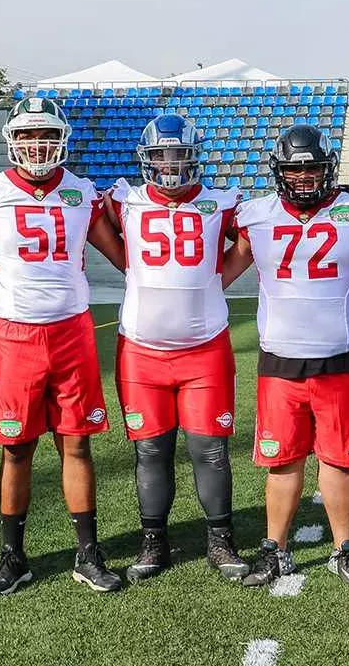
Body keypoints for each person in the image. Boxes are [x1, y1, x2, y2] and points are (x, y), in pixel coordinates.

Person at [0, 97, 128, 594]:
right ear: (11, 141)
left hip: (72, 330)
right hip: (15, 335)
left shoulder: (83, 193)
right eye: (26, 136)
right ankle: (12, 556)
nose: (36, 145)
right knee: (16, 448)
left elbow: (127, 257)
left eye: (44, 135)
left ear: (60, 139)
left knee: (77, 443)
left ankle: (88, 551)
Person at [221, 124, 349, 587]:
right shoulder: (255, 217)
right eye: (295, 169)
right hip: (281, 360)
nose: (305, 176)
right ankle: (275, 548)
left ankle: (343, 549)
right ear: (280, 172)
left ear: (328, 169)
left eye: (312, 167)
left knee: (338, 459)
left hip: (342, 358)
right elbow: (219, 274)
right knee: (283, 459)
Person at [102, 112, 248, 582]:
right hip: (142, 350)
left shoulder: (221, 202)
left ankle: (220, 541)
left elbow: (247, 242)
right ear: (146, 159)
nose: (170, 164)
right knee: (150, 451)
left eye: (179, 154)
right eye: (161, 155)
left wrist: (216, 278)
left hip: (204, 348)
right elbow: (103, 238)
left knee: (211, 450)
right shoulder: (122, 200)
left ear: (194, 157)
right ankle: (154, 542)